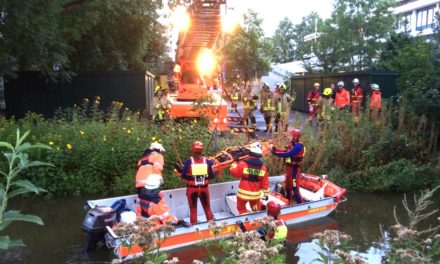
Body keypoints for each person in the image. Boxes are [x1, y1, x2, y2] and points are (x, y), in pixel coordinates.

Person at [180, 141, 215, 224]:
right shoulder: (207, 162)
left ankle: (194, 227)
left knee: (193, 209)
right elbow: (212, 176)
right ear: (202, 150)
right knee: (207, 208)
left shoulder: (188, 162)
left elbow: (183, 175)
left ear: (192, 150)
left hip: (192, 189)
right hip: (204, 189)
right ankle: (212, 226)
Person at [230, 142, 270, 215]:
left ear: (250, 152)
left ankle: (245, 219)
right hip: (255, 195)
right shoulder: (263, 167)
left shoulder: (243, 164)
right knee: (255, 205)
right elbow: (265, 183)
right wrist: (266, 194)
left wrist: (234, 163)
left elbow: (235, 173)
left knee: (241, 208)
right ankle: (259, 208)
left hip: (243, 194)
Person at [271, 128, 304, 204]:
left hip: (295, 170)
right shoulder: (292, 145)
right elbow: (284, 151)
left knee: (295, 188)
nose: (289, 137)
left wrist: (275, 153)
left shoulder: (298, 146)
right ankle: (288, 202)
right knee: (288, 187)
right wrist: (275, 149)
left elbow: (288, 154)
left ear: (295, 137)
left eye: (290, 135)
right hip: (289, 169)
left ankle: (301, 204)